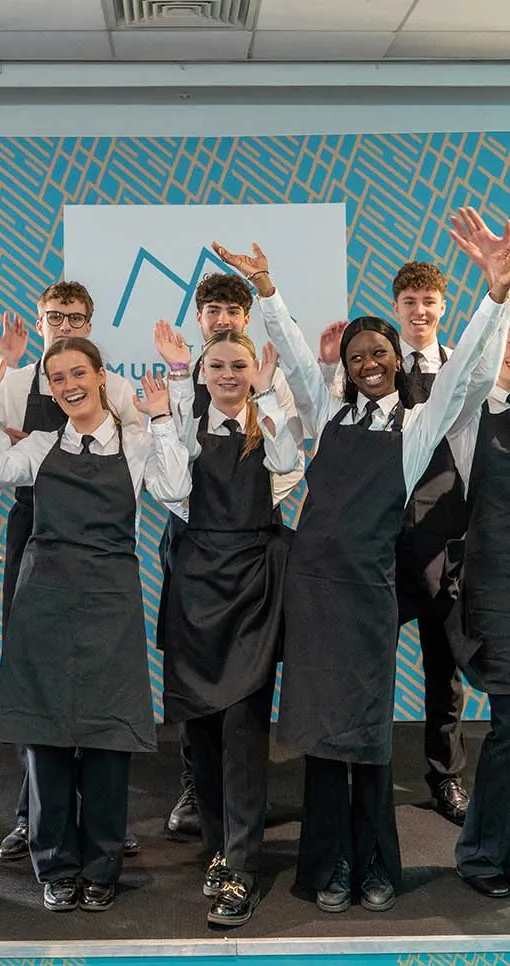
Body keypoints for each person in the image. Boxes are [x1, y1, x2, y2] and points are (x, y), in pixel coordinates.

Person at [212, 213, 510, 915]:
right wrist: (268, 291)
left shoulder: (416, 427)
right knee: (320, 732)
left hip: (369, 593)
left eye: (379, 352)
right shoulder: (328, 414)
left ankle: (376, 864)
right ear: (344, 366)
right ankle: (330, 865)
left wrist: (496, 297)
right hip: (313, 594)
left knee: (369, 732)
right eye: (356, 355)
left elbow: (467, 371)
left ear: (396, 359)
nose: (369, 361)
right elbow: (284, 340)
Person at [0, 335, 190, 912]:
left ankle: (102, 865)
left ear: (99, 376)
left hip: (110, 599)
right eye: (57, 376)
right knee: (45, 738)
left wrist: (163, 418)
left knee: (107, 738)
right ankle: (56, 866)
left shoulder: (137, 440)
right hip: (43, 597)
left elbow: (176, 490)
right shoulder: (41, 444)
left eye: (77, 374)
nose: (67, 386)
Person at [0, 282, 144, 861]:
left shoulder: (118, 389)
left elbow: (138, 452)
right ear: (42, 318)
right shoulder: (12, 382)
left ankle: (106, 820)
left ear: (90, 322)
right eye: (56, 317)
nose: (65, 325)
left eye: (76, 318)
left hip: (99, 543)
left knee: (102, 684)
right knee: (37, 680)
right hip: (35, 531)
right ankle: (32, 813)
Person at [156, 323, 301, 926]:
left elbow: (291, 464)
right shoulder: (182, 429)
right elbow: (167, 489)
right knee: (202, 734)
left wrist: (269, 397)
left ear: (253, 370)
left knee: (243, 730)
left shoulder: (270, 426)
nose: (227, 375)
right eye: (215, 365)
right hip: (194, 590)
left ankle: (241, 867)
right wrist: (166, 406)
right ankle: (218, 847)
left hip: (252, 589)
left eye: (238, 365)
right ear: (201, 373)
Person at [318, 260, 471, 825]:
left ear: (443, 307)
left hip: (440, 540)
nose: (420, 310)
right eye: (409, 301)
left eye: (429, 300)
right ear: (397, 308)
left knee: (443, 667)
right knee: (364, 661)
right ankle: (361, 764)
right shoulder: (367, 371)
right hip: (377, 540)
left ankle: (446, 776)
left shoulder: (461, 370)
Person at [444, 215, 510, 897]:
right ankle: (483, 855)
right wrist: (496, 294)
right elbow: (465, 368)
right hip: (497, 591)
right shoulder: (471, 415)